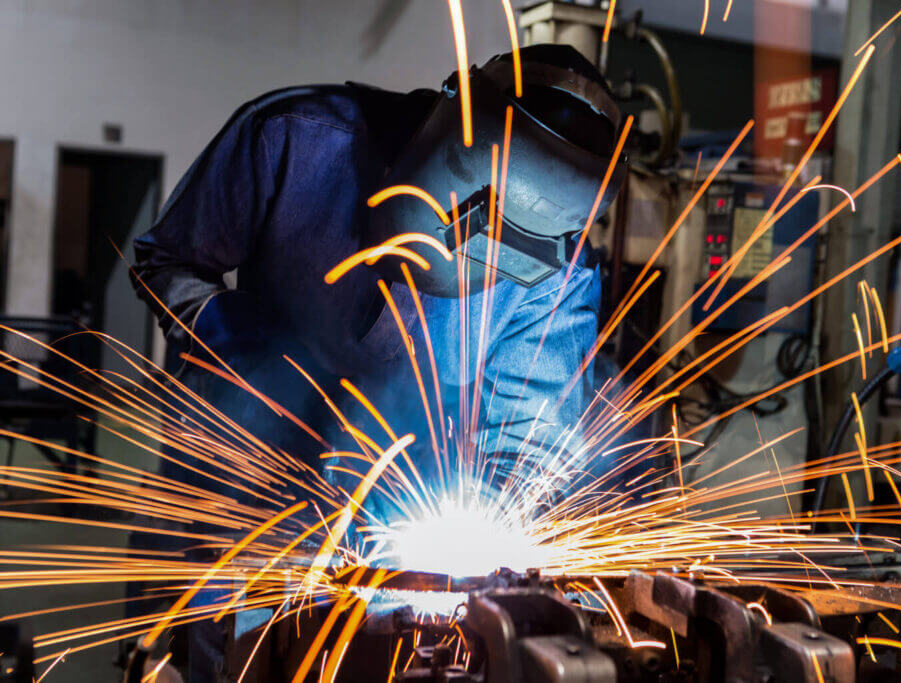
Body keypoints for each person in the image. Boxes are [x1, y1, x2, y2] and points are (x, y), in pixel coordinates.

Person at [130, 44, 624, 681]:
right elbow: (166, 259)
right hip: (239, 479)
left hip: (395, 508)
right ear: (455, 131)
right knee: (216, 648)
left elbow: (529, 437)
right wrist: (242, 356)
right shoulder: (293, 138)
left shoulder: (559, 272)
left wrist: (492, 523)